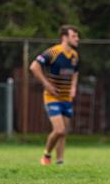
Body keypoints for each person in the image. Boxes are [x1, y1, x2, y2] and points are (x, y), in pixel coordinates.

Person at [30, 25, 80, 165]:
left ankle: (60, 161)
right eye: (74, 36)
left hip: (66, 98)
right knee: (59, 130)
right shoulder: (53, 52)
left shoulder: (75, 56)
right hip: (52, 97)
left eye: (77, 36)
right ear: (64, 37)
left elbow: (75, 72)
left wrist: (73, 87)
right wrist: (46, 84)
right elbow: (34, 66)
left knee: (63, 132)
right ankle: (46, 155)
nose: (77, 39)